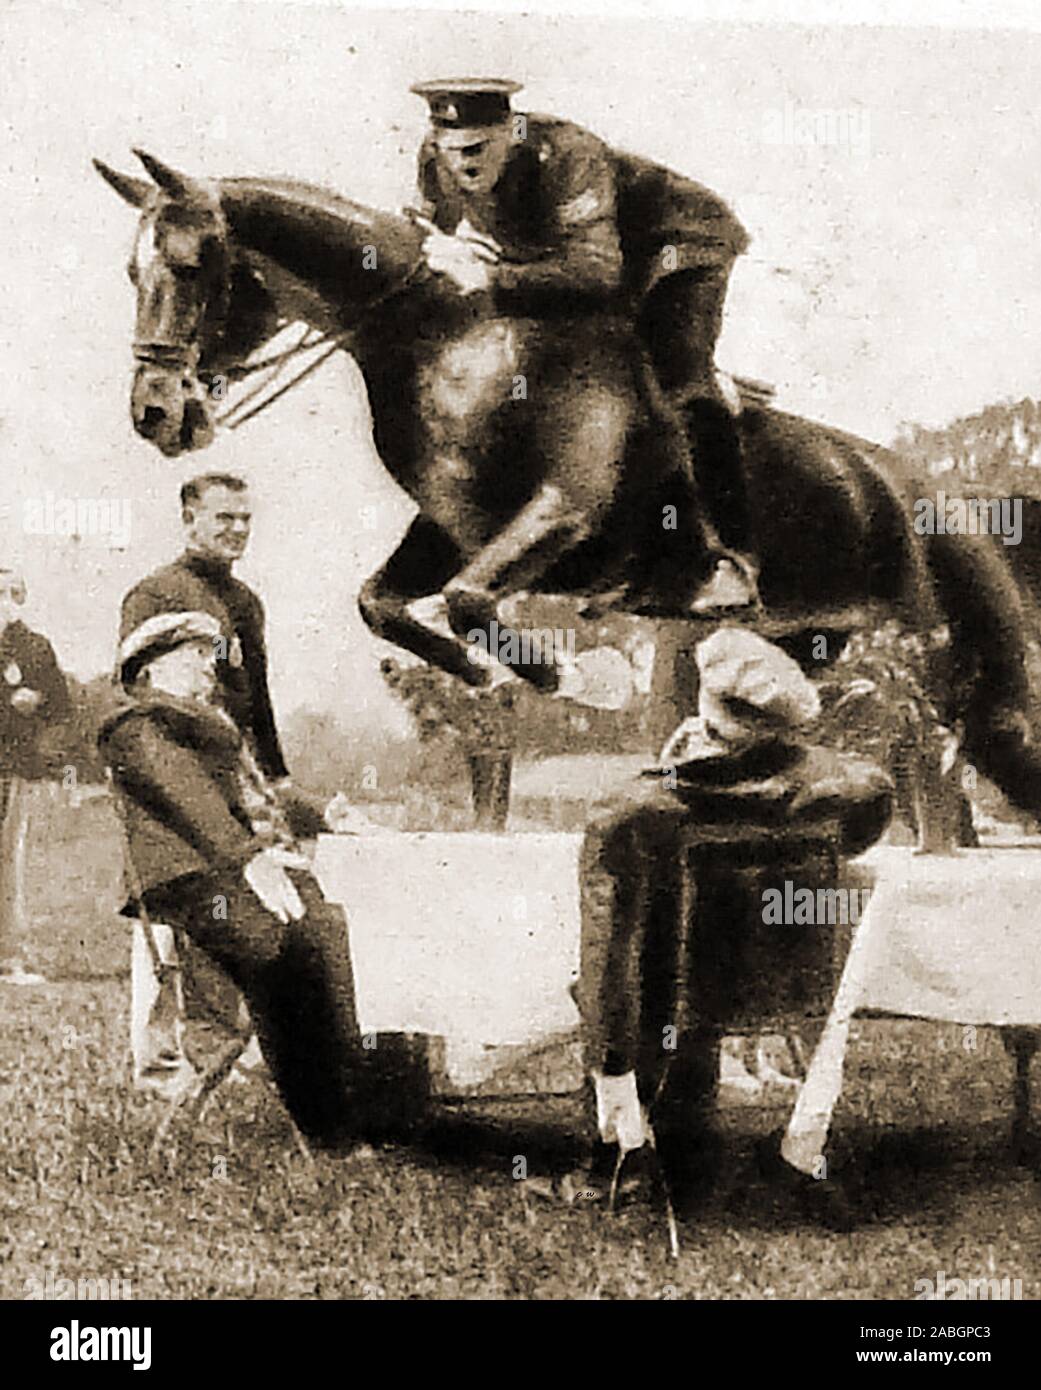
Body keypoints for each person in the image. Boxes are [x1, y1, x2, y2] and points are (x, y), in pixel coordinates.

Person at [409, 77, 757, 611]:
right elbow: (424, 236)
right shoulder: (436, 158)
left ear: (509, 131)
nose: (464, 167)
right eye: (451, 152)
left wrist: (493, 280)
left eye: (478, 151)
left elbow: (597, 272)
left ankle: (727, 560)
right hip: (582, 255)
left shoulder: (567, 153)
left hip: (675, 245)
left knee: (674, 374)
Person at [575, 627, 893, 1209]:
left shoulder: (632, 810)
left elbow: (605, 956)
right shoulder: (853, 790)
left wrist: (673, 771)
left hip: (673, 1002)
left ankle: (617, 1150)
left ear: (705, 714)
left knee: (615, 951)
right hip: (794, 987)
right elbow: (857, 832)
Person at [99, 610, 376, 1149]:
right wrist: (249, 858)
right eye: (197, 656)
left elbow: (260, 798)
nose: (211, 667)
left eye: (212, 654)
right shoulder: (134, 726)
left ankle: (371, 1101)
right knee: (293, 951)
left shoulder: (210, 726)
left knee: (345, 927)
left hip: (238, 872)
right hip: (191, 882)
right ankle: (329, 1127)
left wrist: (327, 814)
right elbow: (190, 801)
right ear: (150, 669)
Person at [121, 473, 287, 783]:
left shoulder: (246, 602)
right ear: (189, 519)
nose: (239, 529)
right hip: (177, 770)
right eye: (225, 518)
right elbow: (131, 698)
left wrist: (277, 775)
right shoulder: (156, 593)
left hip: (237, 766)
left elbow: (256, 694)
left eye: (245, 519)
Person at [0, 568, 69, 985]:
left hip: (14, 769)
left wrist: (36, 699)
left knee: (9, 862)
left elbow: (61, 705)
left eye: (7, 590)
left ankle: (8, 957)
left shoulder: (34, 648)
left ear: (19, 596)